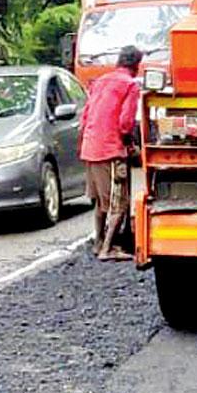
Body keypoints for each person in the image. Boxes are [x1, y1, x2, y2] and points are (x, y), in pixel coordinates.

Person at [79, 45, 143, 261]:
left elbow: (86, 115)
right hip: (110, 150)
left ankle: (98, 242)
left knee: (100, 201)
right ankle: (109, 248)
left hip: (90, 147)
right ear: (136, 65)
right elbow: (125, 122)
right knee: (119, 203)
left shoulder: (100, 82)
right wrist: (130, 143)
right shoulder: (130, 85)